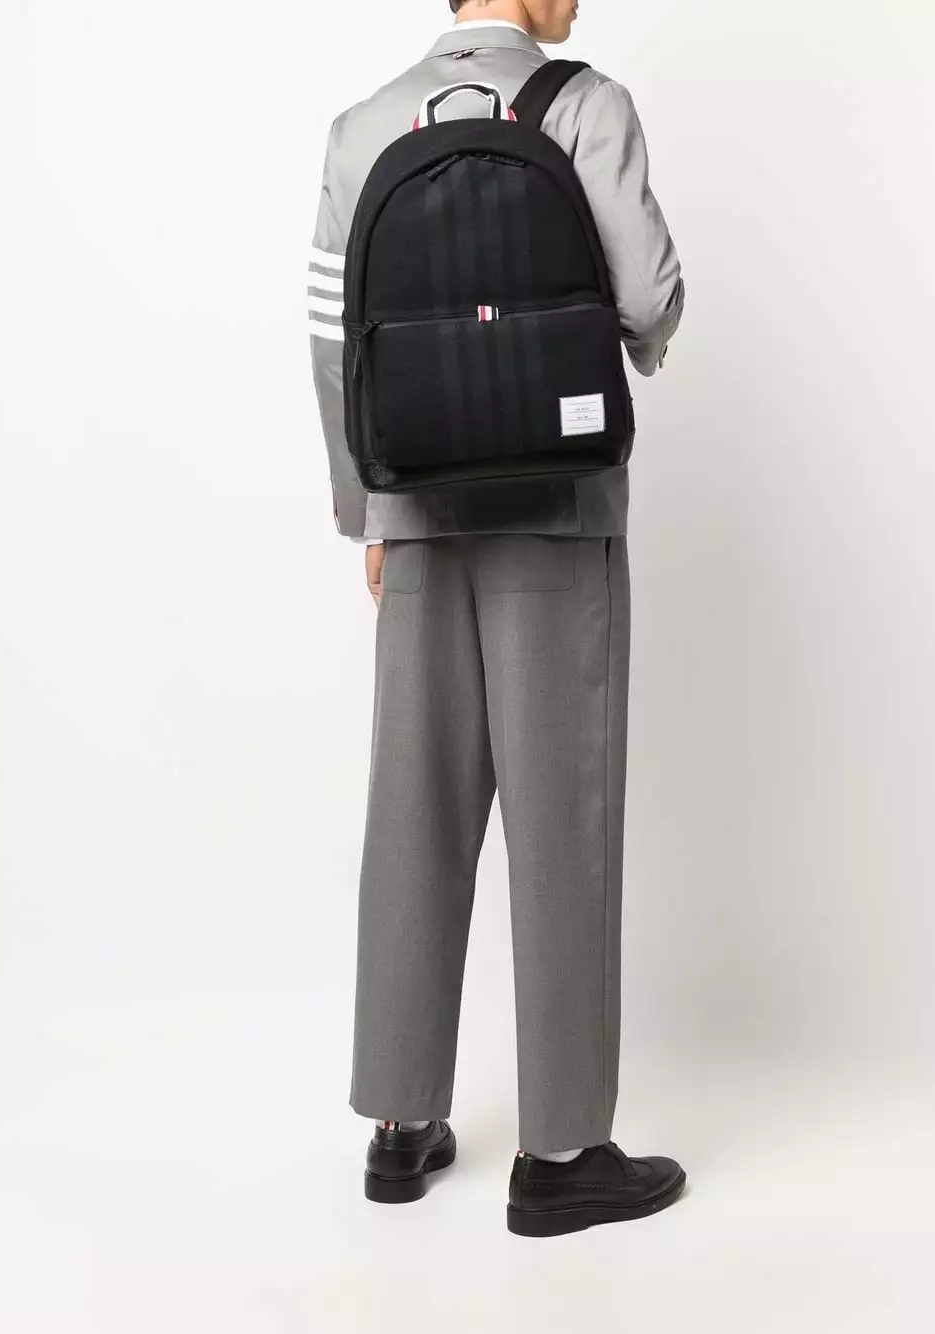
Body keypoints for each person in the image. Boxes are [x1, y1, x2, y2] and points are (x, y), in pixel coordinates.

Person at [309, 0, 687, 1237]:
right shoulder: (587, 108)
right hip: (558, 510)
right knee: (560, 818)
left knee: (412, 807)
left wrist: (370, 512)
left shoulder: (363, 127)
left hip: (415, 510)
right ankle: (562, 1151)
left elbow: (332, 341)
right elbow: (649, 300)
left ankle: (400, 1123)